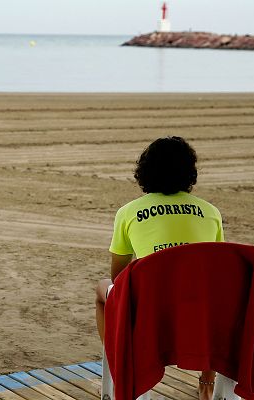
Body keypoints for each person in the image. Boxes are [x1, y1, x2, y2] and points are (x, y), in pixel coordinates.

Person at [95, 136, 224, 400]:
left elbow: (119, 277)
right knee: (214, 296)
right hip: (200, 309)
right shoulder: (210, 212)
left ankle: (123, 369)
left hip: (151, 308)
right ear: (190, 173)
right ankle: (207, 384)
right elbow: (217, 266)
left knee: (103, 291)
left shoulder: (129, 212)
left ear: (145, 171)